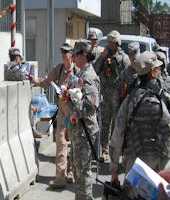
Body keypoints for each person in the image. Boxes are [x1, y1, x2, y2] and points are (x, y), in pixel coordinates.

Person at [110, 51, 170, 199]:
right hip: (159, 167)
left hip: (134, 167)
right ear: (152, 73)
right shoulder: (164, 99)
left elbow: (117, 137)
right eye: (157, 68)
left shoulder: (129, 101)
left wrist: (114, 171)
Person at [31, 42, 78, 188]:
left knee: (76, 146)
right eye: (62, 52)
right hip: (63, 114)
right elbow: (47, 82)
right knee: (61, 144)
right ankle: (60, 177)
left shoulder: (77, 70)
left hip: (75, 114)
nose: (63, 54)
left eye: (66, 52)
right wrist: (34, 81)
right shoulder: (59, 69)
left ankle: (71, 171)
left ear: (72, 54)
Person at [64, 39, 100, 200]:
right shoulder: (80, 74)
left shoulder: (89, 77)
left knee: (83, 176)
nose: (73, 57)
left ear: (83, 55)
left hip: (85, 134)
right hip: (78, 132)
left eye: (75, 54)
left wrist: (71, 103)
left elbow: (90, 107)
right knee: (78, 175)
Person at [94, 30, 130, 160]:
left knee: (117, 125)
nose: (110, 44)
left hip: (118, 96)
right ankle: (104, 149)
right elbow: (95, 70)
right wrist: (102, 57)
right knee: (105, 123)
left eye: (113, 42)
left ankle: (115, 151)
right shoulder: (104, 54)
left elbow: (129, 77)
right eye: (109, 42)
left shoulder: (123, 57)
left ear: (117, 43)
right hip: (106, 95)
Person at [113, 42, 140, 118]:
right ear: (129, 58)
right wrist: (116, 115)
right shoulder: (125, 73)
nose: (134, 62)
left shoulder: (143, 72)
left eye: (136, 59)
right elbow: (117, 93)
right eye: (132, 59)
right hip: (125, 112)